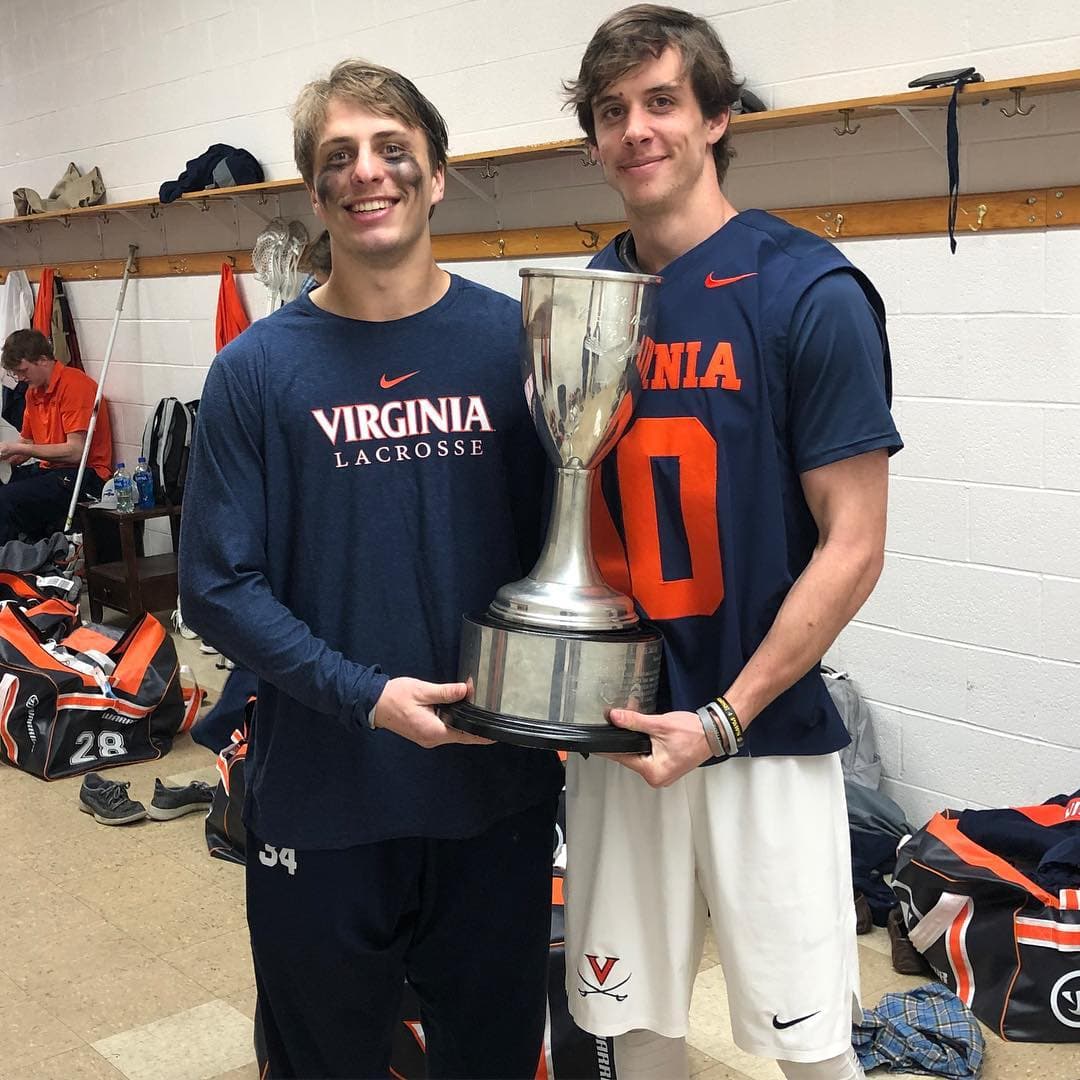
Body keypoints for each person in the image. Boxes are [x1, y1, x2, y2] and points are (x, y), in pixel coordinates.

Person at [178, 60, 563, 1080]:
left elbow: (567, 556)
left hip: (497, 797)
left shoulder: (518, 343)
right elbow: (215, 584)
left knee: (491, 1058)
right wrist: (366, 696)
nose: (368, 173)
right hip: (323, 797)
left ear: (437, 176)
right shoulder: (256, 371)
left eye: (393, 150)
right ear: (316, 193)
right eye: (338, 156)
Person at [561, 8, 903, 1080]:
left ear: (716, 118)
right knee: (634, 1024)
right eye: (610, 112)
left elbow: (854, 543)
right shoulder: (582, 299)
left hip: (757, 729)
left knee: (809, 1044)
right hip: (618, 726)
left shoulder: (807, 288)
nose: (636, 131)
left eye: (662, 102)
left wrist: (724, 716)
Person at [0, 328, 112, 542]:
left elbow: (75, 452)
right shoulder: (34, 391)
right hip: (51, 471)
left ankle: (13, 563)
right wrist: (6, 458)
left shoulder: (75, 385)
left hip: (85, 474)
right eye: (16, 373)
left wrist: (18, 448)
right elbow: (27, 440)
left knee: (6, 499)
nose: (20, 378)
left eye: (23, 370)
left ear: (43, 360)